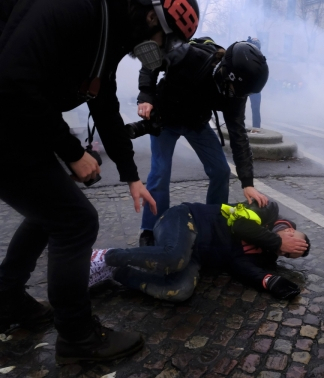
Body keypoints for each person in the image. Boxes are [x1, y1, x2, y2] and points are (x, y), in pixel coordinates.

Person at [0, 0, 200, 363]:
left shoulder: (112, 28)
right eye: (164, 42)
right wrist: (73, 152)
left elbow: (102, 99)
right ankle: (78, 338)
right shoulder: (79, 9)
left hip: (16, 117)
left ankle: (6, 298)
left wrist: (131, 175)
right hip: (7, 112)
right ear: (152, 16)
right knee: (75, 221)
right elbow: (13, 78)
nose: (158, 55)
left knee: (51, 210)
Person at [136, 37, 270, 247]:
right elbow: (151, 58)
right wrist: (145, 94)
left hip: (197, 122)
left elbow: (238, 135)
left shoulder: (238, 91)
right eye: (234, 89)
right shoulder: (190, 55)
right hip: (166, 118)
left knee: (221, 170)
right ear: (226, 72)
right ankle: (151, 229)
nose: (235, 95)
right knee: (160, 172)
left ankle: (214, 224)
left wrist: (248, 183)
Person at [88, 200, 310, 302]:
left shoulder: (262, 254)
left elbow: (239, 266)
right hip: (184, 218)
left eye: (289, 256)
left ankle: (115, 272)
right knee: (174, 257)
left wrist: (270, 281)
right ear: (289, 232)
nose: (284, 253)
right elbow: (241, 226)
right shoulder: (267, 211)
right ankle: (106, 256)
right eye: (292, 247)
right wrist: (276, 240)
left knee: (180, 290)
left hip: (193, 255)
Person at [247, 37, 263, 130]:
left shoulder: (260, 58)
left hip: (254, 87)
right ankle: (256, 128)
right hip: (252, 87)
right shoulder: (259, 57)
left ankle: (256, 128)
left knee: (255, 110)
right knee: (255, 110)